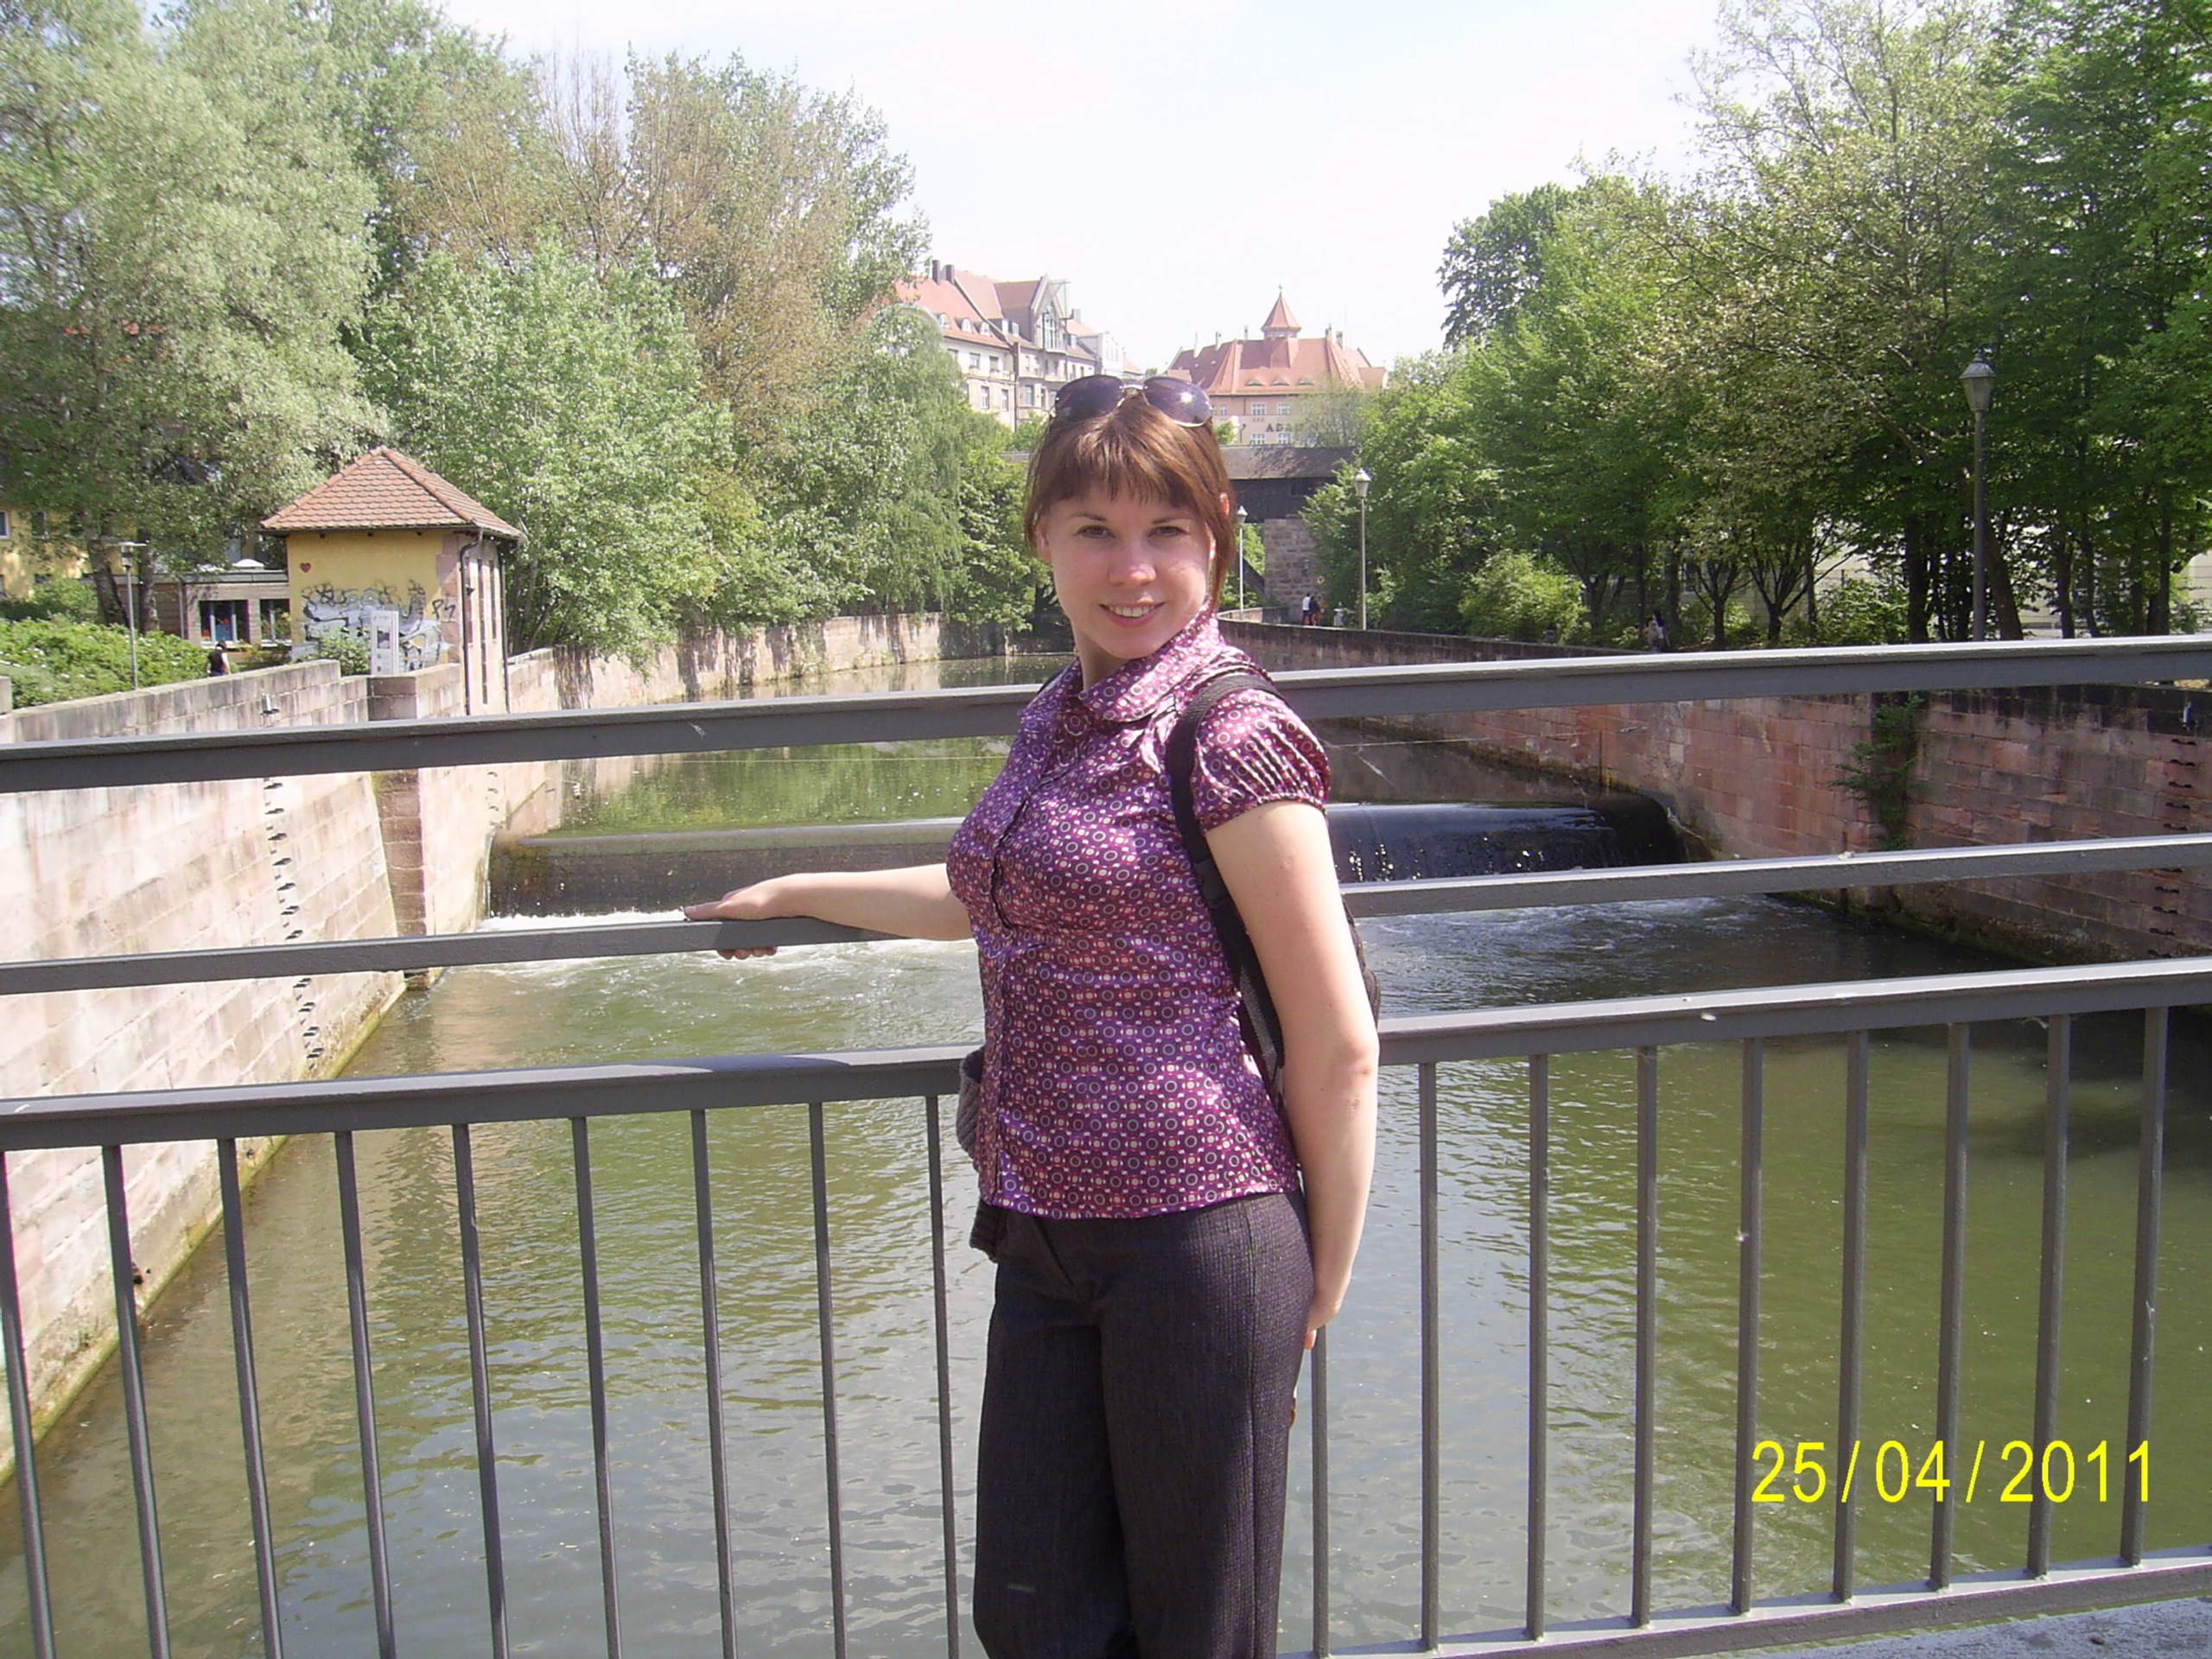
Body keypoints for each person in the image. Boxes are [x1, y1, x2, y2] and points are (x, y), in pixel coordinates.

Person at [685, 374, 1379, 1659]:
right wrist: (799, 891)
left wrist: (1321, 1271)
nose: (1133, 569)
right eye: (1096, 531)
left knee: (1197, 1632)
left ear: (1218, 540)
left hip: (1199, 1238)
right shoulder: (1062, 717)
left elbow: (1338, 1043)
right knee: (1035, 1619)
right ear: (1043, 539)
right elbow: (990, 893)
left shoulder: (1232, 734)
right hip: (1044, 1231)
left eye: (1167, 532)